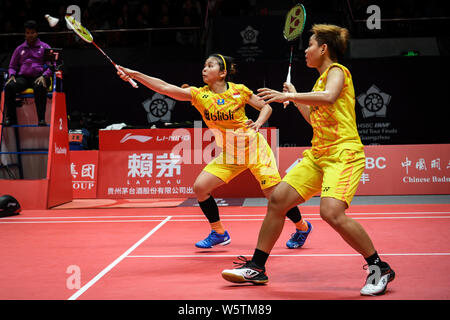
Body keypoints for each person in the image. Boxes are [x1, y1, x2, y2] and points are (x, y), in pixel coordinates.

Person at [221, 24, 395, 296]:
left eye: (310, 45)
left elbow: (329, 97)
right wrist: (297, 99)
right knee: (278, 200)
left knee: (331, 213)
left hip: (343, 153)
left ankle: (378, 267)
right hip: (318, 154)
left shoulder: (337, 71)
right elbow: (314, 118)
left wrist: (289, 95)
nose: (306, 50)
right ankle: (257, 267)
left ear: (324, 48)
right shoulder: (317, 82)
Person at [116, 53, 312, 249]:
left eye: (210, 66)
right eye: (204, 65)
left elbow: (266, 108)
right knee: (200, 188)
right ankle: (219, 232)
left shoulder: (239, 91)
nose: (204, 69)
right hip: (230, 154)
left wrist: (259, 123)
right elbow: (166, 88)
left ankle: (302, 227)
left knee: (274, 196)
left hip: (255, 149)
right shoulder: (200, 95)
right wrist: (135, 74)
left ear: (223, 73)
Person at [3, 20, 53, 126]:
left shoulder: (45, 47)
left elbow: (51, 65)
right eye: (28, 33)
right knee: (9, 86)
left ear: (37, 33)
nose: (30, 35)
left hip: (39, 77)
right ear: (25, 34)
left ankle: (41, 119)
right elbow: (12, 66)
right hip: (23, 78)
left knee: (40, 86)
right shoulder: (19, 49)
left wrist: (44, 76)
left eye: (32, 32)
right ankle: (10, 118)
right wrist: (11, 75)